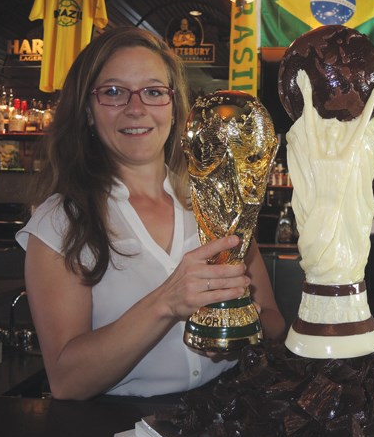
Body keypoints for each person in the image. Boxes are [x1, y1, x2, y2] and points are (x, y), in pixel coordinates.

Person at [15, 27, 285, 400]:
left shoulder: (218, 202)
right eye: (113, 92)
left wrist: (240, 332)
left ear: (175, 109)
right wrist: (166, 302)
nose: (136, 108)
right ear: (88, 112)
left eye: (154, 92)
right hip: (114, 428)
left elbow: (273, 320)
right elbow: (66, 380)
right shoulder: (59, 223)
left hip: (225, 416)